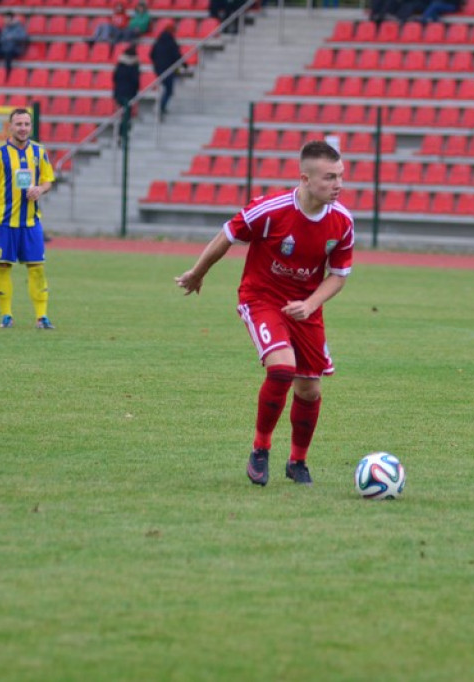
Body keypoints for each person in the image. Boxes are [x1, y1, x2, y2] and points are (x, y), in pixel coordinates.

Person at [174, 141, 355, 487]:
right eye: (330, 177)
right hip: (262, 298)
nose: (338, 184)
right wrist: (198, 273)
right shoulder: (270, 210)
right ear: (305, 178)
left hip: (305, 306)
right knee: (282, 367)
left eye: (341, 176)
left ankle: (297, 462)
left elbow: (339, 275)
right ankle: (260, 448)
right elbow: (226, 236)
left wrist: (311, 304)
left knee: (310, 390)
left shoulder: (342, 222)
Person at [0, 108, 56, 329]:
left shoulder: (39, 152)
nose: (23, 128)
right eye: (18, 124)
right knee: (3, 266)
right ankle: (6, 315)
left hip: (31, 222)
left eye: (26, 124)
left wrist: (40, 190)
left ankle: (42, 317)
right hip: (4, 222)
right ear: (10, 126)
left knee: (37, 267)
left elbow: (48, 181)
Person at [149, 22, 183, 122]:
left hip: (158, 69)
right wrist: (184, 65)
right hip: (168, 69)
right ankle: (161, 107)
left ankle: (160, 106)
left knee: (165, 88)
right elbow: (177, 56)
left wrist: (157, 63)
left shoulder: (158, 41)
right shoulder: (172, 43)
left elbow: (151, 54)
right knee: (169, 90)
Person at [112, 44, 140, 142]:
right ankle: (122, 134)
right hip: (129, 93)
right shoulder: (134, 66)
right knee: (126, 115)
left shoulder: (120, 65)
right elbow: (135, 81)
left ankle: (121, 134)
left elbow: (114, 78)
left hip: (118, 92)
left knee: (123, 114)